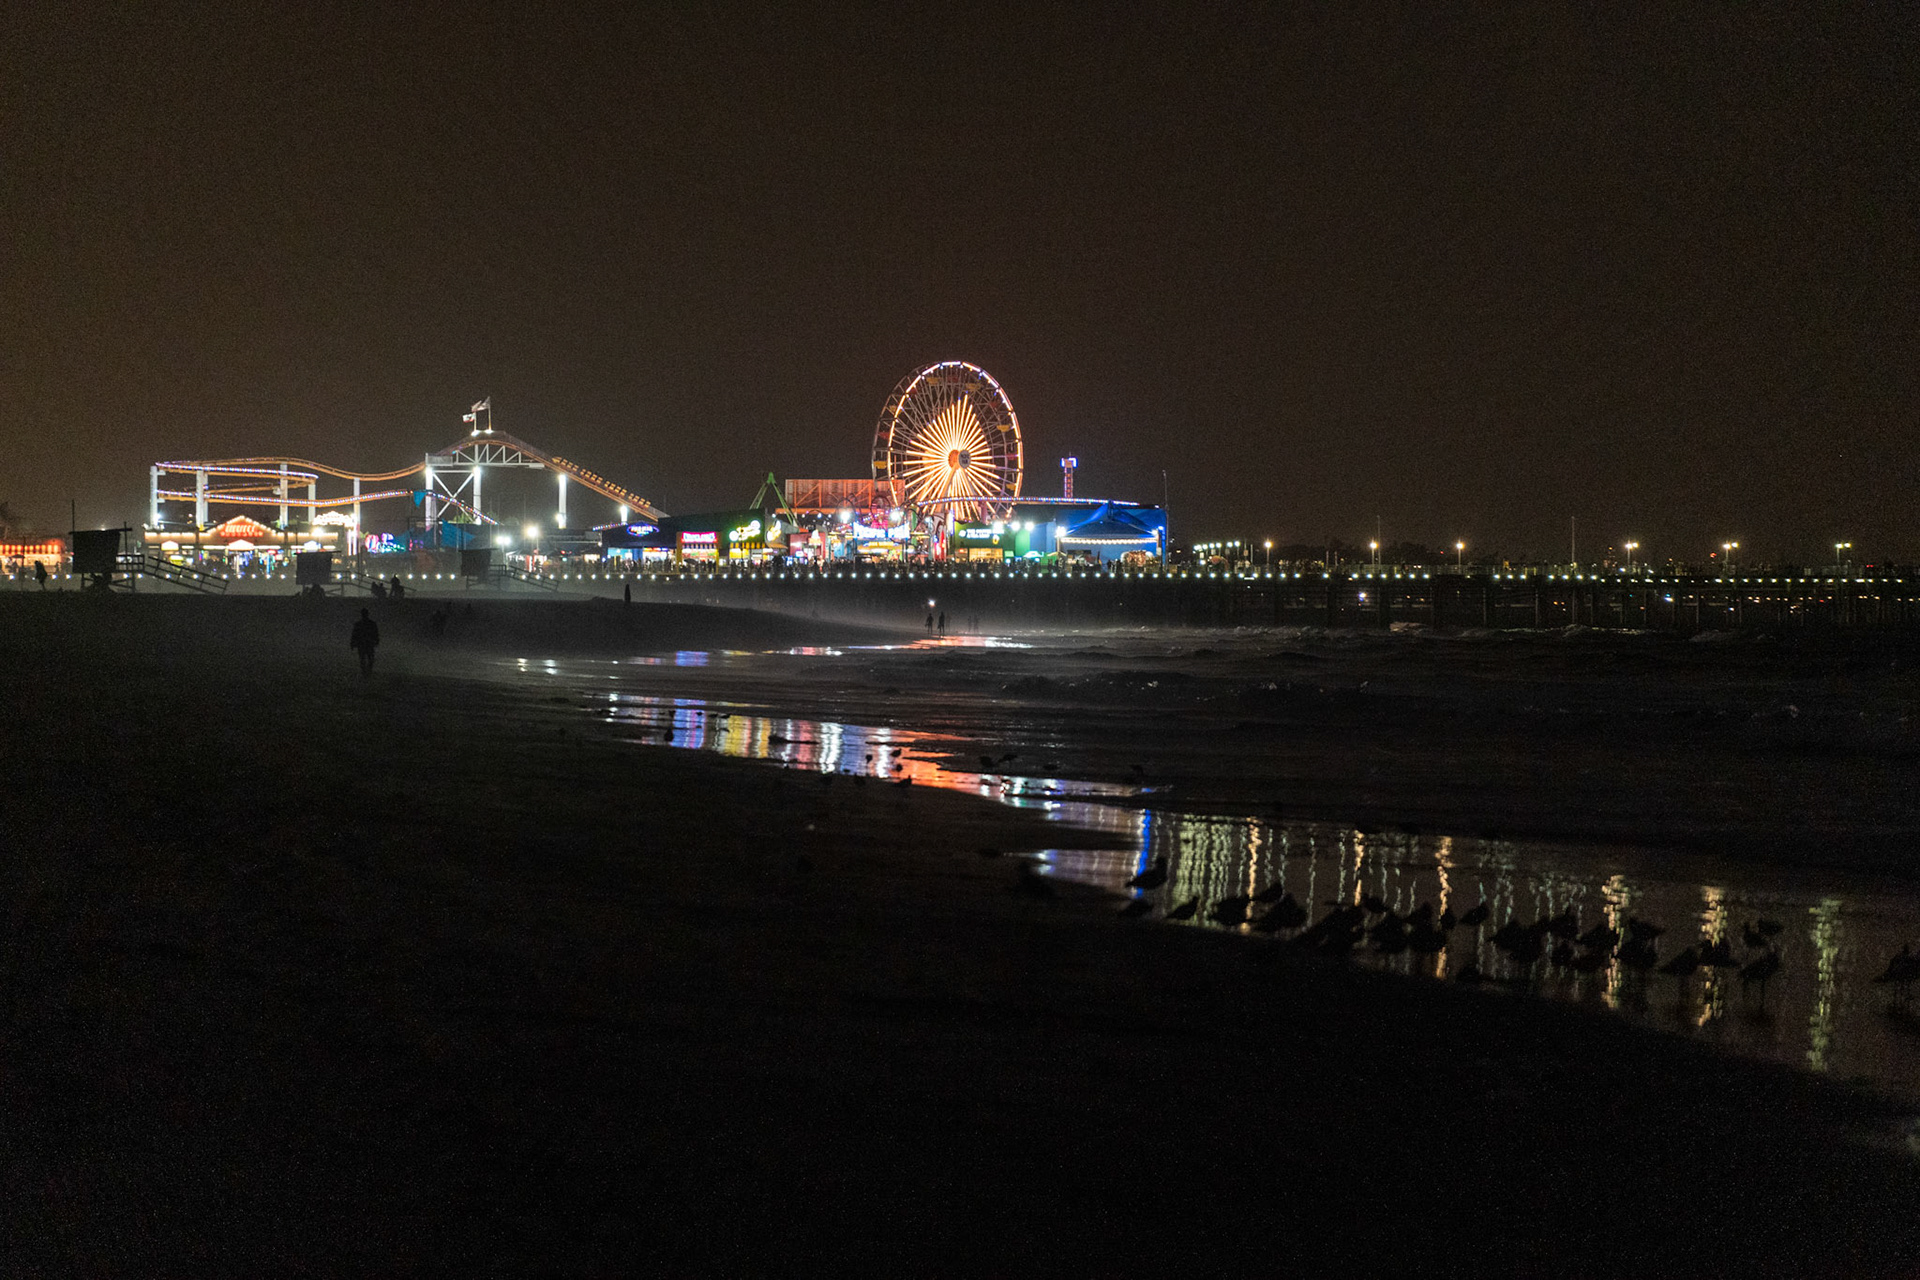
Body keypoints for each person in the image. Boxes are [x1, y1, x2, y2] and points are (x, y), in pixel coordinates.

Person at [350, 608, 380, 677]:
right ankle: (367, 671)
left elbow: (354, 635)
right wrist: (376, 641)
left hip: (362, 644)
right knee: (369, 658)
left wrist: (352, 643)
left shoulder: (358, 624)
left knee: (364, 658)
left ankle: (365, 672)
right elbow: (376, 634)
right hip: (368, 643)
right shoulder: (372, 624)